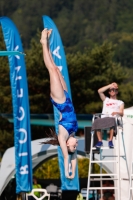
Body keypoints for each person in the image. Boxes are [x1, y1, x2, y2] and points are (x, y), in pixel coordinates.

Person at [40, 28, 78, 179]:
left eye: (74, 146)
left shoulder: (63, 137)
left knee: (52, 70)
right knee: (56, 68)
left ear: (67, 145)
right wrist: (74, 172)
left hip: (60, 101)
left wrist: (68, 172)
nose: (76, 145)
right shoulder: (73, 133)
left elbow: (68, 157)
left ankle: (43, 43)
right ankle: (47, 44)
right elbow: (74, 157)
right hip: (67, 98)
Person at [92, 82, 124, 148]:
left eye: (114, 90)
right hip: (104, 118)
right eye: (110, 90)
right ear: (109, 92)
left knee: (111, 120)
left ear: (116, 92)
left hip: (113, 118)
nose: (112, 91)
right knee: (97, 121)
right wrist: (110, 85)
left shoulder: (120, 102)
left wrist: (116, 112)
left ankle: (110, 141)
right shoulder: (106, 100)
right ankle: (100, 141)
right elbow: (99, 91)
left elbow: (122, 113)